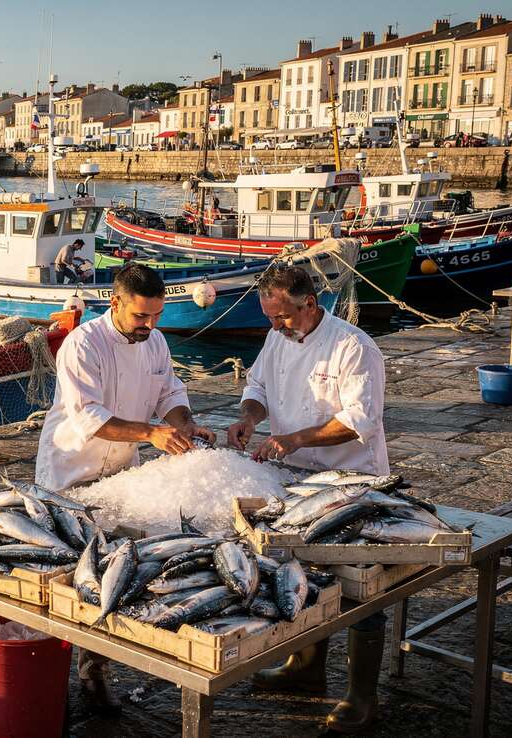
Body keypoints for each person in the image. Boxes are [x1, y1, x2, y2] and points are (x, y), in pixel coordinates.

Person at [35, 262, 215, 713]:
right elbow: (88, 418)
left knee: (111, 569)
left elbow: (169, 394)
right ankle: (49, 662)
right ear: (115, 302)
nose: (150, 326)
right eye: (141, 317)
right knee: (68, 571)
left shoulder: (154, 342)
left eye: (156, 316)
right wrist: (153, 435)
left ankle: (94, 670)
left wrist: (185, 426)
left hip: (120, 473)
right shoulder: (83, 344)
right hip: (69, 472)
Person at [227, 264, 388, 734]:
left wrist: (295, 438)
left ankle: (362, 697)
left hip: (350, 480)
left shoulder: (353, 346)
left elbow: (362, 419)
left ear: (309, 304)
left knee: (360, 582)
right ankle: (305, 668)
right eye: (270, 318)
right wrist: (250, 419)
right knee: (301, 573)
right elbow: (256, 388)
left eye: (283, 317)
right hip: (294, 477)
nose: (275, 326)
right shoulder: (278, 337)